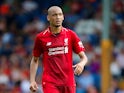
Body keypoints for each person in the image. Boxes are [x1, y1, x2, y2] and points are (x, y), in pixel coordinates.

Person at [29, 6, 88, 93]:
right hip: (50, 82)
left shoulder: (71, 35)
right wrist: (32, 80)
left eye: (60, 15)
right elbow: (35, 60)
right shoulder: (41, 38)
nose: (58, 17)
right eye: (54, 15)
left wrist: (81, 64)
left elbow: (84, 57)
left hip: (68, 82)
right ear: (48, 18)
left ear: (63, 17)